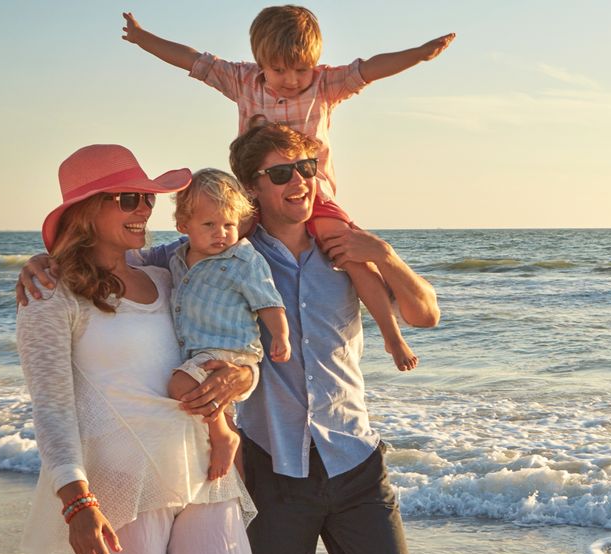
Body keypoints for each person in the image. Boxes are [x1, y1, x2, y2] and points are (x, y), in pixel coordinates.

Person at [18, 124, 441, 554]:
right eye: (281, 173)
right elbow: (110, 269)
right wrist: (45, 261)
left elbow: (423, 315)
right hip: (249, 467)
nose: (300, 181)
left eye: (308, 168)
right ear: (252, 190)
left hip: (325, 460)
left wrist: (384, 255)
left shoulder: (340, 249)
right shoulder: (202, 255)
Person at [119, 5, 453, 372]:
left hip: (319, 198)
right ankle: (206, 350)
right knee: (213, 248)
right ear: (260, 62)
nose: (292, 80)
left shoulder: (326, 85)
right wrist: (141, 38)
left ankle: (391, 337)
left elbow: (370, 68)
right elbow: (192, 60)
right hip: (250, 199)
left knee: (352, 255)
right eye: (279, 69)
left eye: (301, 69)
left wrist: (419, 55)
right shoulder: (242, 81)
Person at [16, 144, 259, 554]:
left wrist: (241, 377)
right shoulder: (51, 293)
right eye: (129, 199)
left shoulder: (169, 276)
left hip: (207, 474)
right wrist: (76, 503)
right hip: (122, 483)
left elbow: (226, 346)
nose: (145, 209)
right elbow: (51, 407)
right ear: (87, 212)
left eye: (147, 198)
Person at [166, 168, 291, 482]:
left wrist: (280, 335)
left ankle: (223, 437)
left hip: (231, 353)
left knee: (180, 386)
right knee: (221, 414)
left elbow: (268, 300)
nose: (220, 233)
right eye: (209, 225)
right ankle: (237, 498)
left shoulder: (244, 260)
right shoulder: (176, 258)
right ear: (183, 225)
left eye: (229, 225)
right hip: (200, 354)